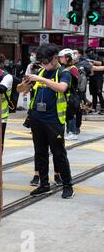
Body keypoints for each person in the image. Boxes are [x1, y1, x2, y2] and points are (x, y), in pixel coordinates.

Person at [17, 44, 74, 199]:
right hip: (37, 118)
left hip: (54, 120)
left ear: (55, 58)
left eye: (46, 62)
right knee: (40, 153)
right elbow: (20, 90)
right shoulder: (40, 71)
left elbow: (62, 88)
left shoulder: (63, 73)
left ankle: (67, 185)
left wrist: (40, 79)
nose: (43, 65)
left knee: (59, 153)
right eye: (41, 63)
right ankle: (44, 184)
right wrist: (25, 84)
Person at [86, 48, 104, 114]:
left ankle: (102, 108)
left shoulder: (99, 57)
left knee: (99, 93)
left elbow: (101, 63)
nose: (89, 54)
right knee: (94, 94)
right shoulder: (87, 58)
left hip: (99, 77)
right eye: (87, 53)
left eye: (89, 52)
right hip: (92, 77)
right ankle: (94, 108)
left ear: (92, 51)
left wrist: (91, 61)